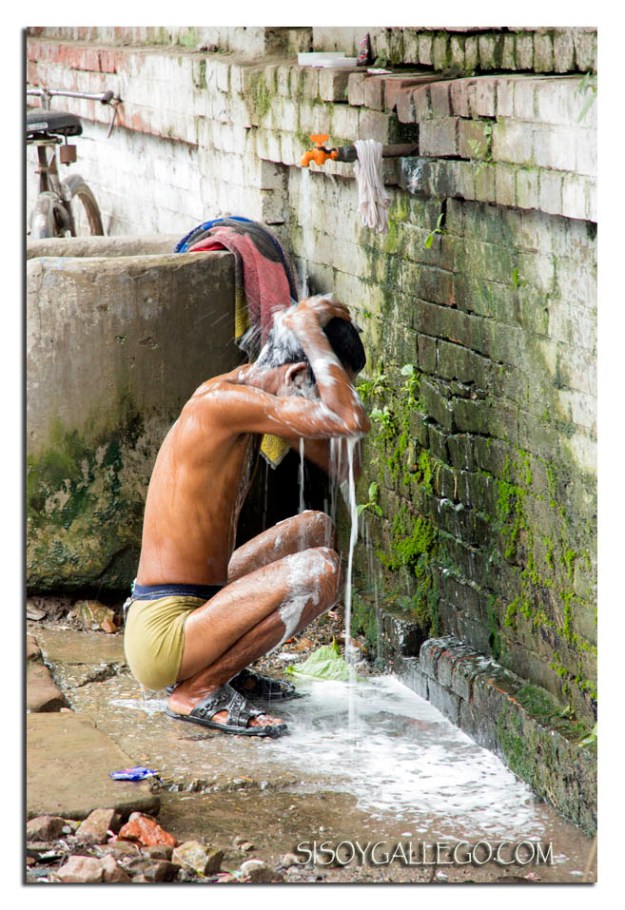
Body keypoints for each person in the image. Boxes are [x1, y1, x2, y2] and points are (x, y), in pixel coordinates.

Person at [123, 295, 370, 737]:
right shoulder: (219, 404)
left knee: (314, 528)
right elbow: (347, 420)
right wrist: (308, 329)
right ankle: (198, 689)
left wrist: (316, 364)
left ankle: (220, 669)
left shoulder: (249, 392)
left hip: (197, 608)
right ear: (295, 375)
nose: (312, 407)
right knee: (321, 571)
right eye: (313, 393)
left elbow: (345, 463)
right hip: (164, 636)